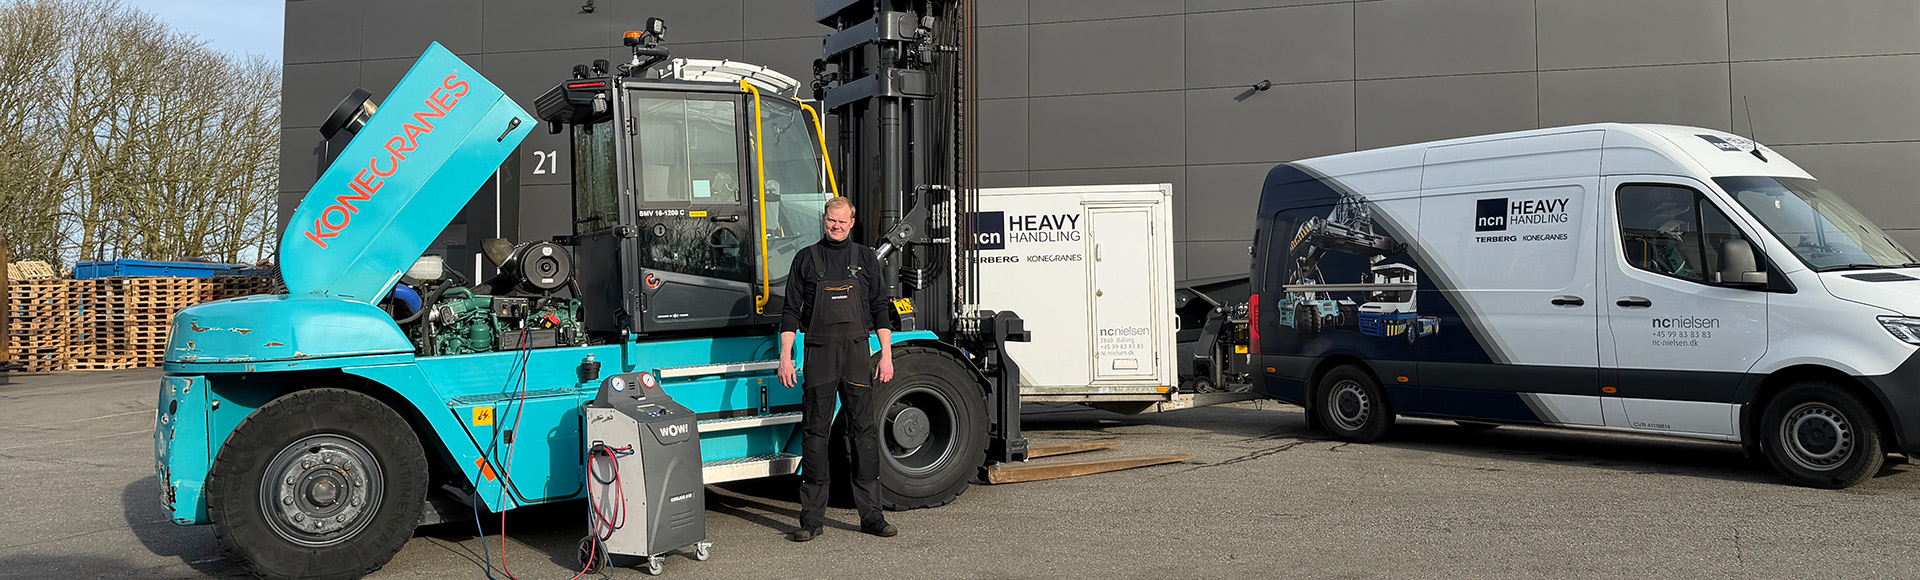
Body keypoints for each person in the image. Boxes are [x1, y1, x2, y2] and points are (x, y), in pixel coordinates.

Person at [777, 196, 897, 542]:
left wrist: (885, 354)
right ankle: (811, 521)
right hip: (819, 355)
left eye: (843, 222)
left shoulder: (865, 259)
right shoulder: (806, 259)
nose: (836, 227)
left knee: (865, 435)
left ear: (852, 223)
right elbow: (790, 313)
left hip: (858, 355)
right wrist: (786, 357)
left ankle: (872, 516)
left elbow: (879, 308)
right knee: (815, 436)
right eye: (832, 221)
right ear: (824, 219)